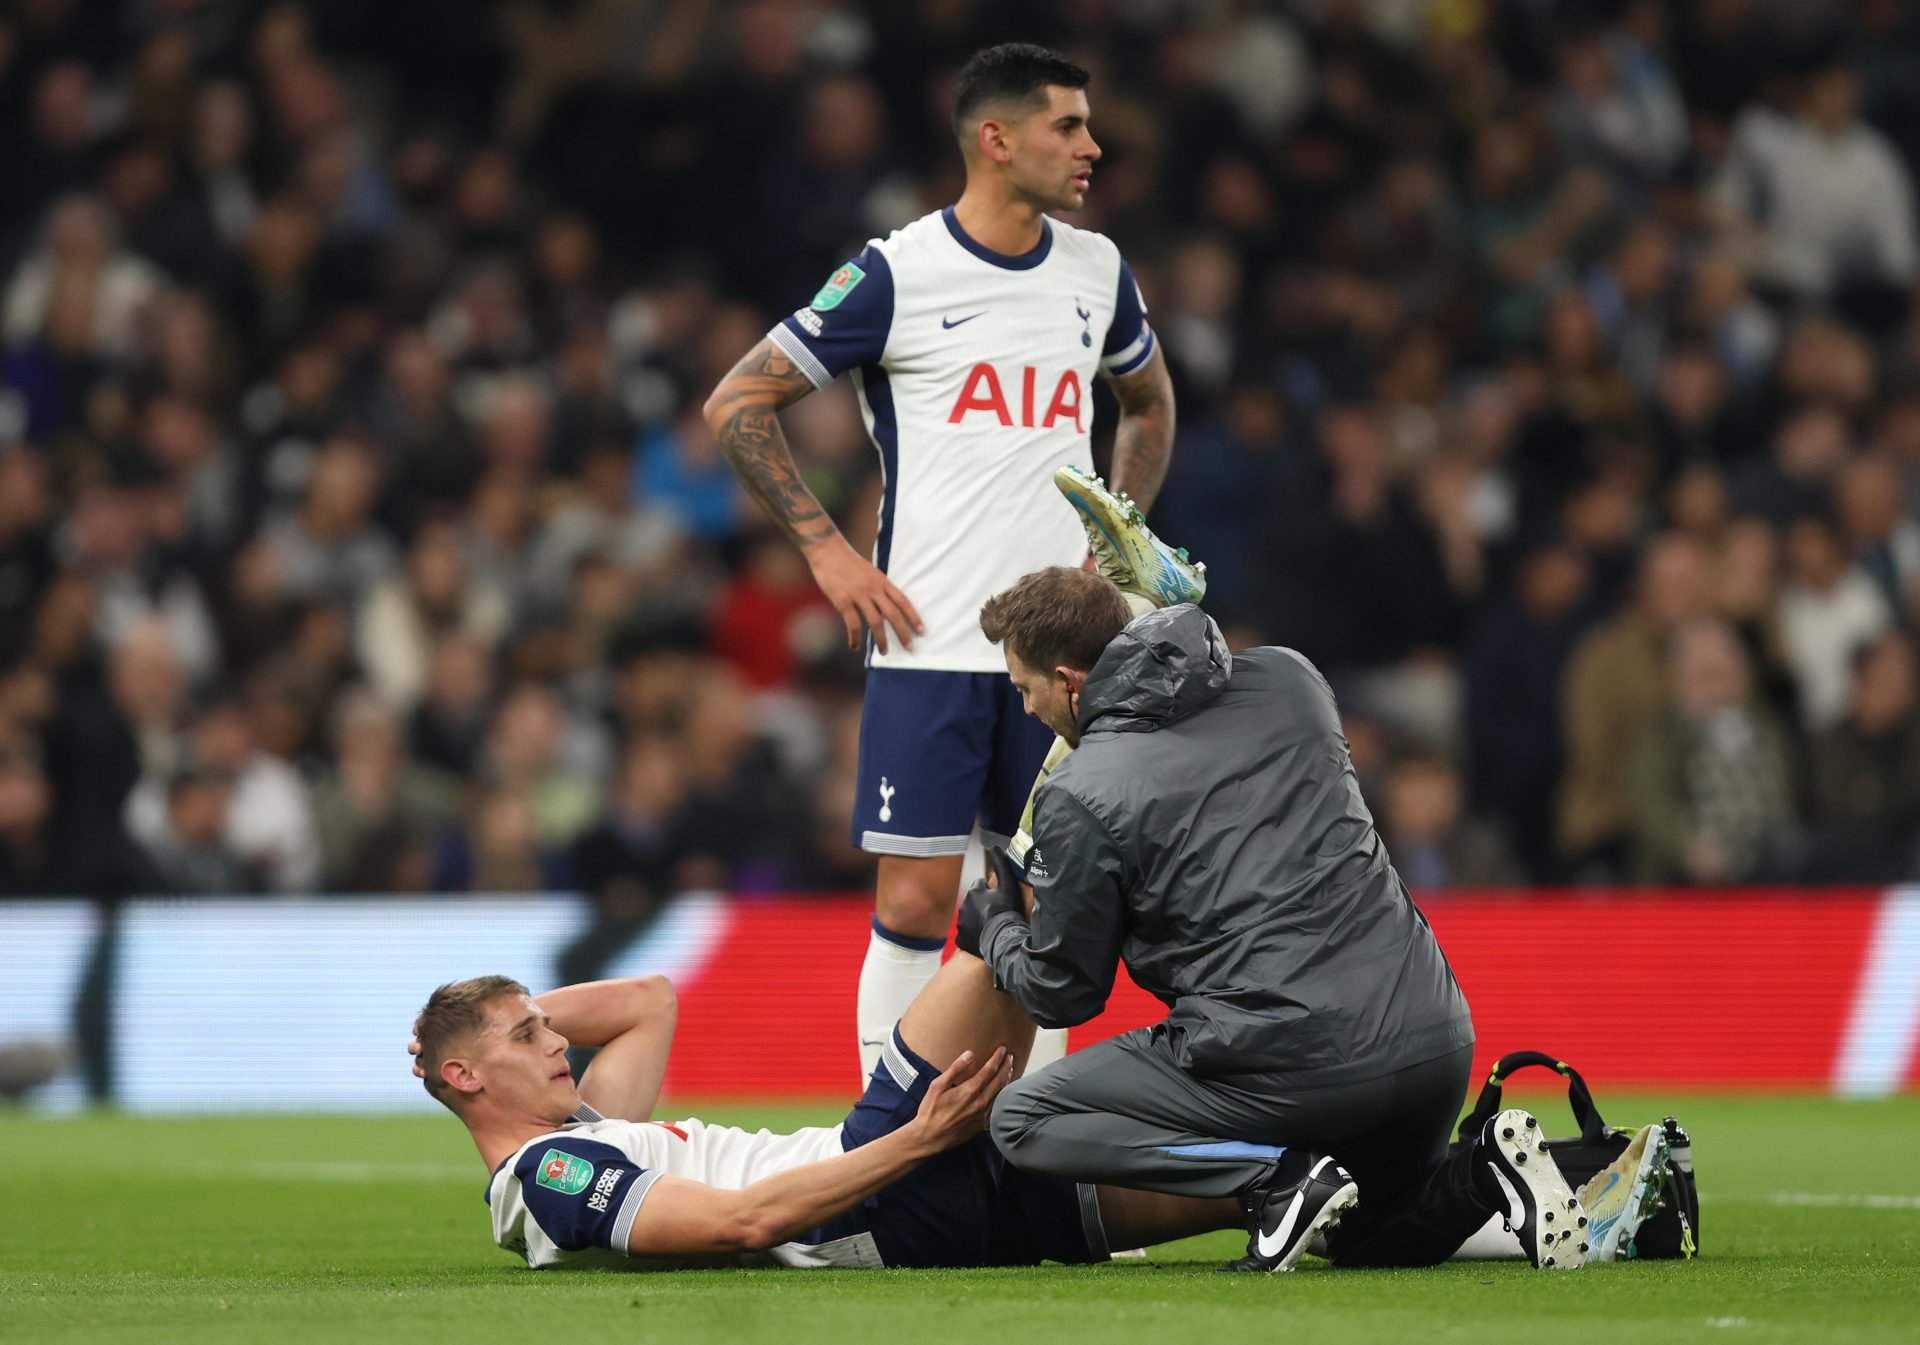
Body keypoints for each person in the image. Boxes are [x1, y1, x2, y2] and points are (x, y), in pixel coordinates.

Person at [702, 43, 1196, 1080]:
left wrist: (1121, 537)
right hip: (927, 642)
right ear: (996, 137)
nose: (1092, 145)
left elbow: (1147, 403)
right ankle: (893, 1141)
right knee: (918, 901)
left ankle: (1039, 1154)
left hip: (1062, 658)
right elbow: (738, 401)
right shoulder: (898, 271)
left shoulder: (1097, 270)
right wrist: (828, 552)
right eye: (1068, 125)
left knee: (1049, 904)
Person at [961, 567, 1588, 1271]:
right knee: (1364, 1230)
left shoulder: (1080, 790)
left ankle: (1271, 1180)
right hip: (1433, 1042)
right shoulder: (1293, 679)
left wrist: (995, 928)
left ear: (1071, 681)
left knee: (1023, 1118)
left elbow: (1063, 991)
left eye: (1025, 689)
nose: (1024, 709)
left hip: (1288, 1059)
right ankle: (1484, 1172)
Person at [411, 958, 1275, 1271]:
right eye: (531, 1036)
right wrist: (919, 1139)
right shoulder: (549, 1175)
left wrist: (477, 1032)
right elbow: (742, 1221)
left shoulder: (586, 1129)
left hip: (925, 1203)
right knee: (993, 938)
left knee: (1268, 1187)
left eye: (544, 1024)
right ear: (469, 1075)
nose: (557, 1039)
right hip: (875, 1197)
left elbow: (648, 1000)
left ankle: (1389, 1186)